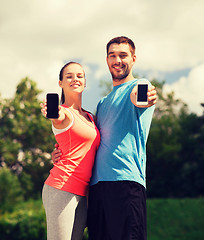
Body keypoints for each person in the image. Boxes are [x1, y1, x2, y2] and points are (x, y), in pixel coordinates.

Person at [52, 36, 157, 240]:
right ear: (107, 60)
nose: (117, 60)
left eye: (123, 55)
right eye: (112, 55)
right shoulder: (102, 103)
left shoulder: (140, 85)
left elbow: (142, 97)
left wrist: (146, 97)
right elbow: (90, 142)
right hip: (97, 189)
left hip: (126, 183)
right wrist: (60, 153)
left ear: (133, 59)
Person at [40, 62, 100, 240]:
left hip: (83, 193)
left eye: (80, 76)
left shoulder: (90, 117)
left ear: (85, 82)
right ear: (60, 83)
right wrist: (53, 113)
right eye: (69, 76)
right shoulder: (64, 113)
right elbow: (58, 117)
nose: (75, 79)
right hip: (62, 187)